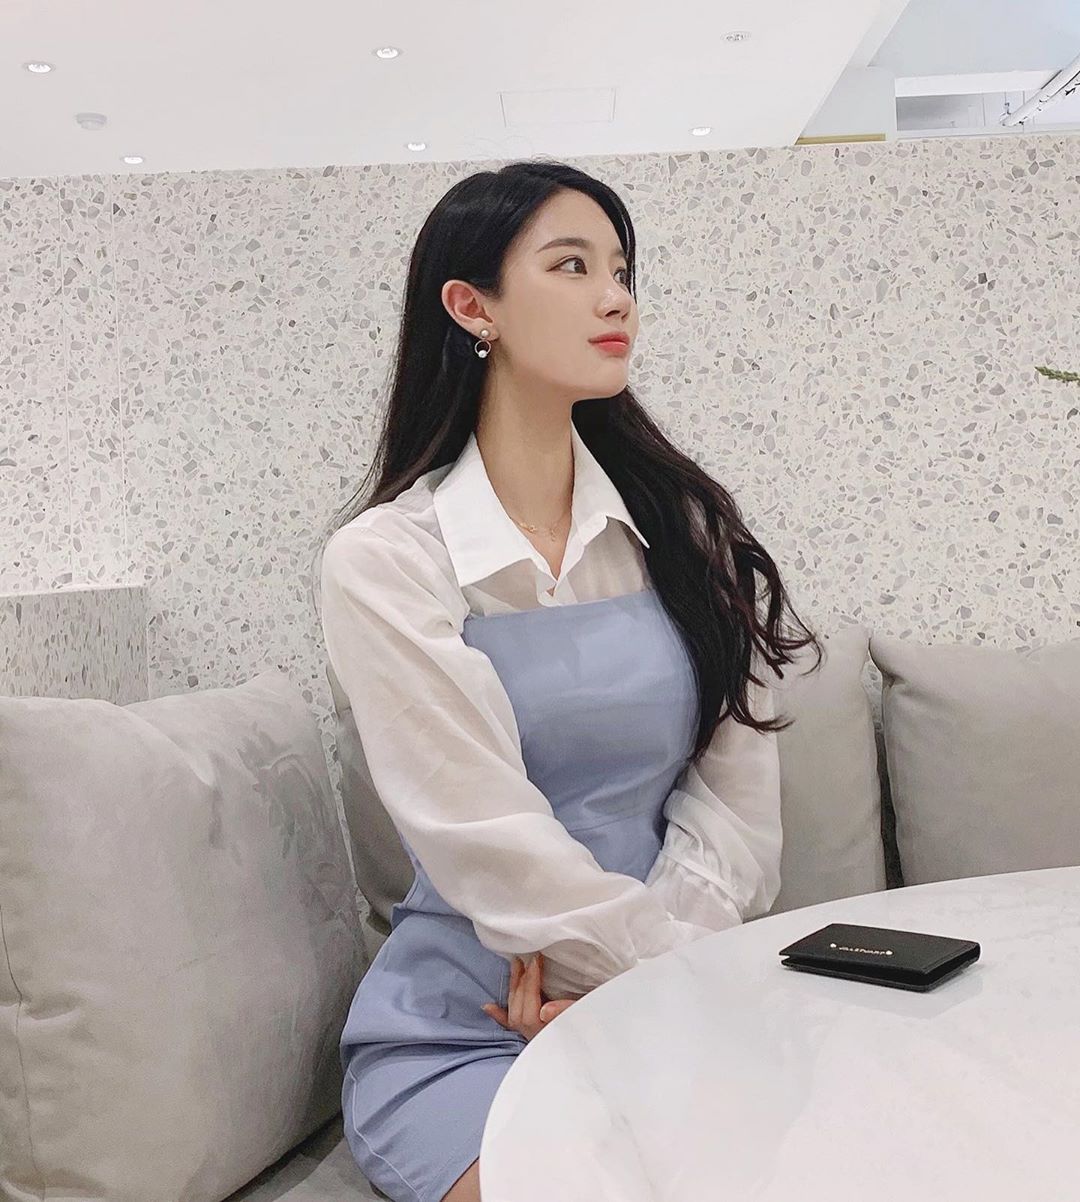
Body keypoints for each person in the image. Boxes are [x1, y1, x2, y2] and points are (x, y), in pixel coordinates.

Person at [314, 158, 824, 1202]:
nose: (616, 297)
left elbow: (735, 815)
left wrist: (657, 990)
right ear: (473, 307)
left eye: (622, 270)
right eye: (572, 265)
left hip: (673, 992)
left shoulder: (688, 538)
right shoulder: (387, 560)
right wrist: (644, 980)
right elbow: (484, 835)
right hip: (473, 1019)